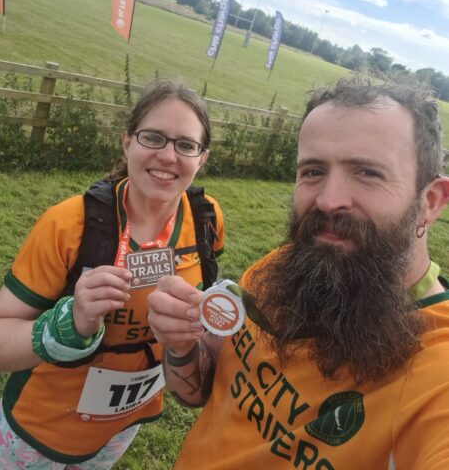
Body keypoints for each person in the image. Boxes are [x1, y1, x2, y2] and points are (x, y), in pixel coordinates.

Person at [148, 77, 449, 470]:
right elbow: (199, 392)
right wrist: (181, 346)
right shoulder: (280, 270)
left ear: (429, 202)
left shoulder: (437, 365)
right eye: (313, 171)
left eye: (368, 173)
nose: (327, 199)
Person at [0, 78, 224, 468]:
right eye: (153, 137)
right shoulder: (68, 224)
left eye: (186, 145)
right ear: (127, 142)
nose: (169, 157)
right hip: (38, 432)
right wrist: (67, 325)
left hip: (122, 428)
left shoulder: (207, 220)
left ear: (201, 158)